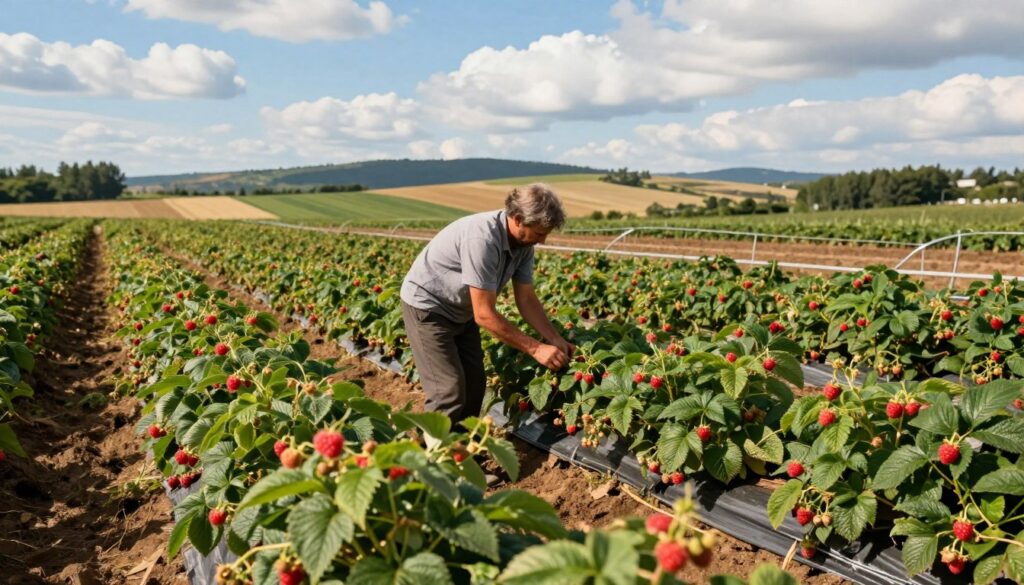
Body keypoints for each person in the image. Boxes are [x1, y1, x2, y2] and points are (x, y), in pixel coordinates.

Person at [400, 183, 575, 424]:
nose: (542, 240)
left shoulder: (523, 244)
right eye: (538, 233)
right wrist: (535, 348)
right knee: (448, 391)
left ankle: (461, 451)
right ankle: (434, 458)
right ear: (517, 219)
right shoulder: (482, 239)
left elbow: (526, 299)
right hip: (429, 308)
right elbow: (483, 314)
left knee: (474, 385)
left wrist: (554, 339)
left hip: (461, 310)